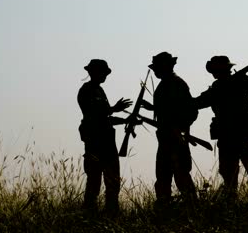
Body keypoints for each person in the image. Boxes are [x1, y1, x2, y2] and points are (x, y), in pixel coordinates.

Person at [194, 55, 248, 209]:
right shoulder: (222, 87)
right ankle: (242, 208)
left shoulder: (237, 82)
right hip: (233, 138)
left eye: (216, 70)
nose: (214, 73)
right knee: (235, 178)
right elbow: (195, 103)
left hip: (237, 138)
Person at [141, 52, 199, 207]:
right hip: (165, 139)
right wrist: (152, 108)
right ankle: (164, 210)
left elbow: (191, 111)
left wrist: (180, 129)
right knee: (163, 177)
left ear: (166, 66)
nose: (154, 71)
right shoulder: (166, 84)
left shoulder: (176, 84)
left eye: (157, 67)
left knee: (181, 176)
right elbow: (169, 110)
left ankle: (193, 209)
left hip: (176, 140)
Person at [77, 59, 132, 214]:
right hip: (95, 143)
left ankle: (111, 214)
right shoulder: (87, 90)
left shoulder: (99, 91)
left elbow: (105, 119)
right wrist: (114, 109)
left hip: (107, 144)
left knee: (113, 183)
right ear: (93, 72)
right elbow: (94, 114)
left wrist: (126, 120)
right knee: (94, 182)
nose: (105, 76)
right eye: (102, 72)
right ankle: (89, 215)